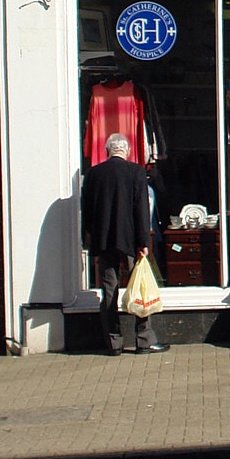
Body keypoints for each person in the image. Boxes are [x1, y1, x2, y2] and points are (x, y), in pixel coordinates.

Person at [82, 132, 164, 355]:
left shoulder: (93, 174)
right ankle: (143, 340)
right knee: (141, 286)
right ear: (126, 151)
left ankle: (113, 343)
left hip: (104, 241)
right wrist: (143, 242)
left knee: (109, 290)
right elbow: (140, 209)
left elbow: (86, 209)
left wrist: (90, 237)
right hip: (130, 241)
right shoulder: (135, 172)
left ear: (108, 151)